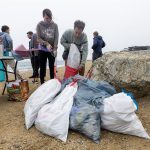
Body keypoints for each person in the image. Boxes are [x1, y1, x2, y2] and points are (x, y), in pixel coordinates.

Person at [36, 8, 59, 84]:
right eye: (46, 18)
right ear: (43, 17)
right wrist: (46, 43)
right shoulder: (39, 25)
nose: (48, 20)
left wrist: (55, 48)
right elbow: (38, 39)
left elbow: (56, 37)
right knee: (42, 67)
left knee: (52, 67)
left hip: (51, 50)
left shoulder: (55, 25)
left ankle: (52, 83)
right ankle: (42, 83)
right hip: (42, 49)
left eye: (50, 18)